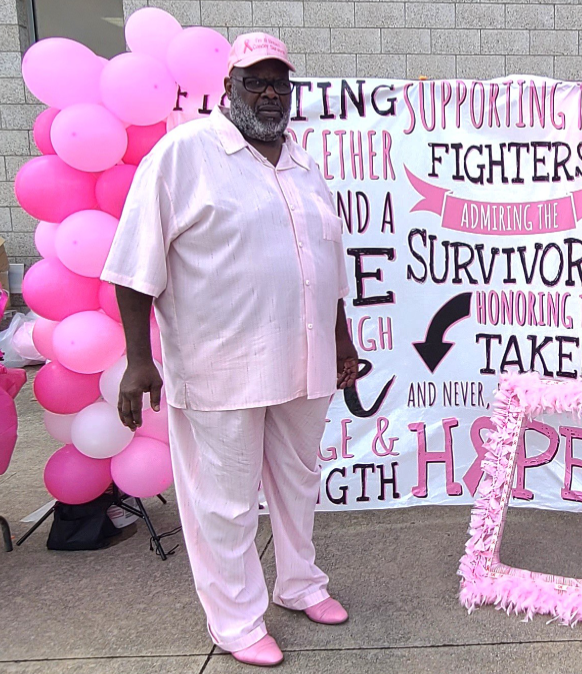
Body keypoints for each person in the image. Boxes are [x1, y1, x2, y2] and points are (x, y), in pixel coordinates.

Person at [101, 32, 358, 668]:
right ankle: (236, 622)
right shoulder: (184, 154)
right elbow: (134, 266)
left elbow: (324, 265)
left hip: (306, 362)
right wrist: (139, 359)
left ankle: (300, 584)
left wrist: (342, 341)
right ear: (228, 90)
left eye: (279, 83)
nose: (270, 93)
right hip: (222, 366)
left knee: (298, 481)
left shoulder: (303, 164)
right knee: (225, 498)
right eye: (255, 81)